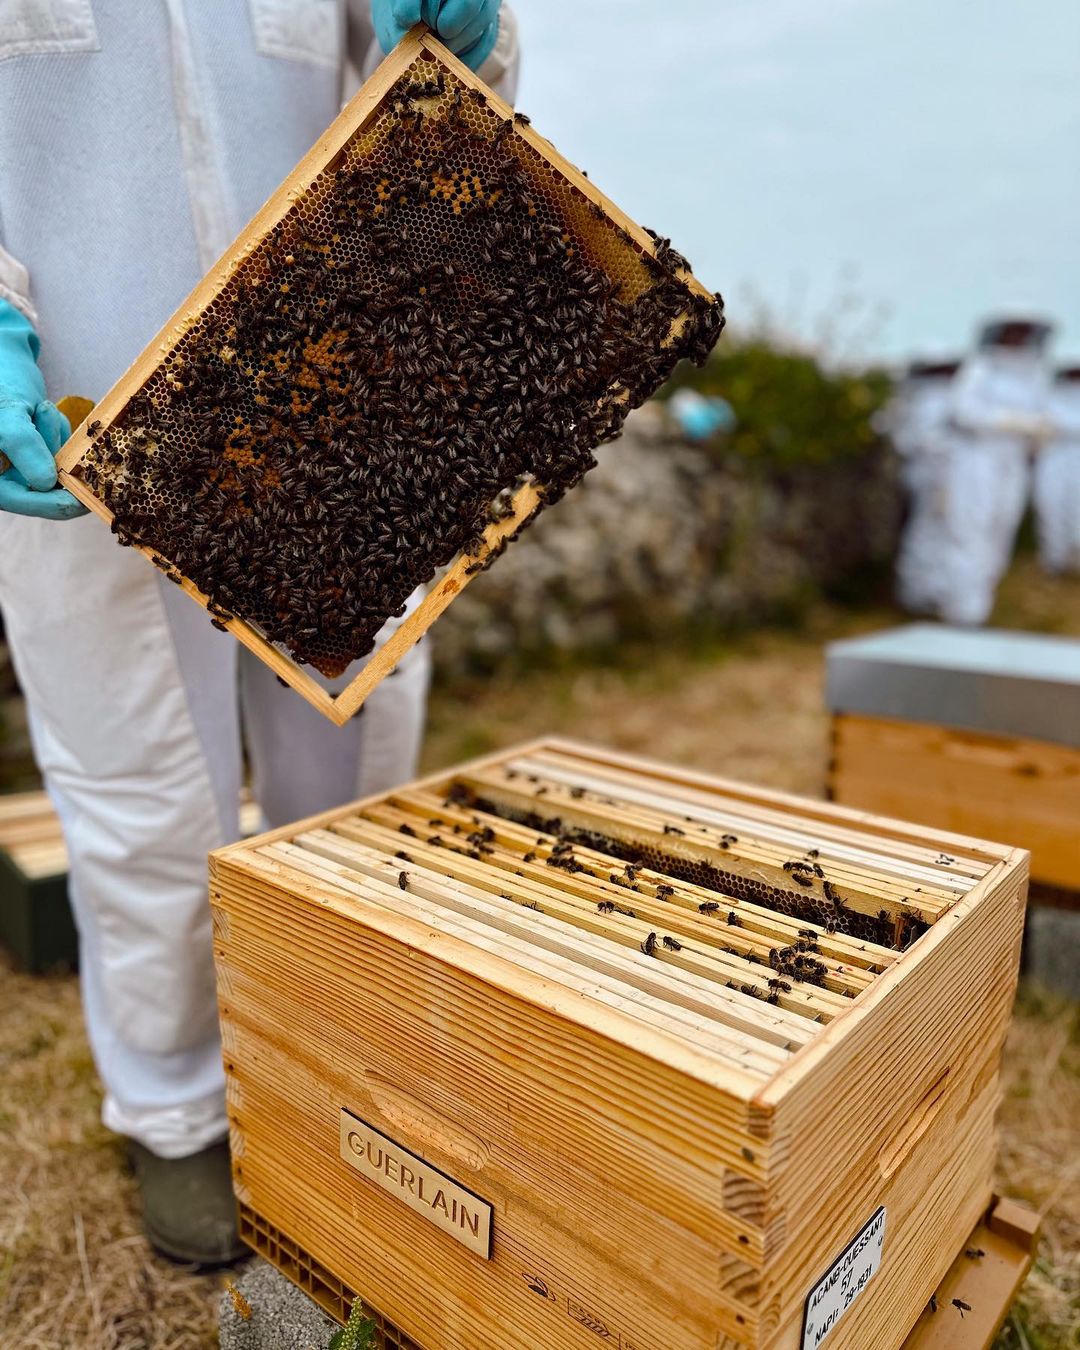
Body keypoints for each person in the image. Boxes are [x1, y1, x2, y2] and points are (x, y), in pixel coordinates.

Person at [0, 0, 519, 1266]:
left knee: (354, 750)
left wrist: (479, 31)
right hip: (78, 406)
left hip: (333, 378)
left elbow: (451, 98)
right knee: (143, 789)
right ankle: (178, 1110)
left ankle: (334, 1057)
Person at [937, 314, 1054, 626]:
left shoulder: (1035, 375)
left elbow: (1044, 416)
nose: (1019, 339)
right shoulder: (980, 368)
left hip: (1013, 463)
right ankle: (961, 611)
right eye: (1013, 332)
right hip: (977, 459)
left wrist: (1037, 433)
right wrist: (1006, 421)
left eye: (1024, 332)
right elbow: (962, 411)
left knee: (1000, 531)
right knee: (969, 529)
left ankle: (981, 605)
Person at [888, 355, 961, 615]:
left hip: (942, 477)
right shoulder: (928, 401)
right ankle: (916, 593)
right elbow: (921, 441)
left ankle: (931, 591)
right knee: (925, 532)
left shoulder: (930, 399)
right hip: (930, 476)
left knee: (939, 533)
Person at [1034, 364, 1080, 575]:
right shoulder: (1048, 393)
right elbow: (1045, 422)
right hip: (1053, 458)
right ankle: (1054, 560)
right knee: (1049, 505)